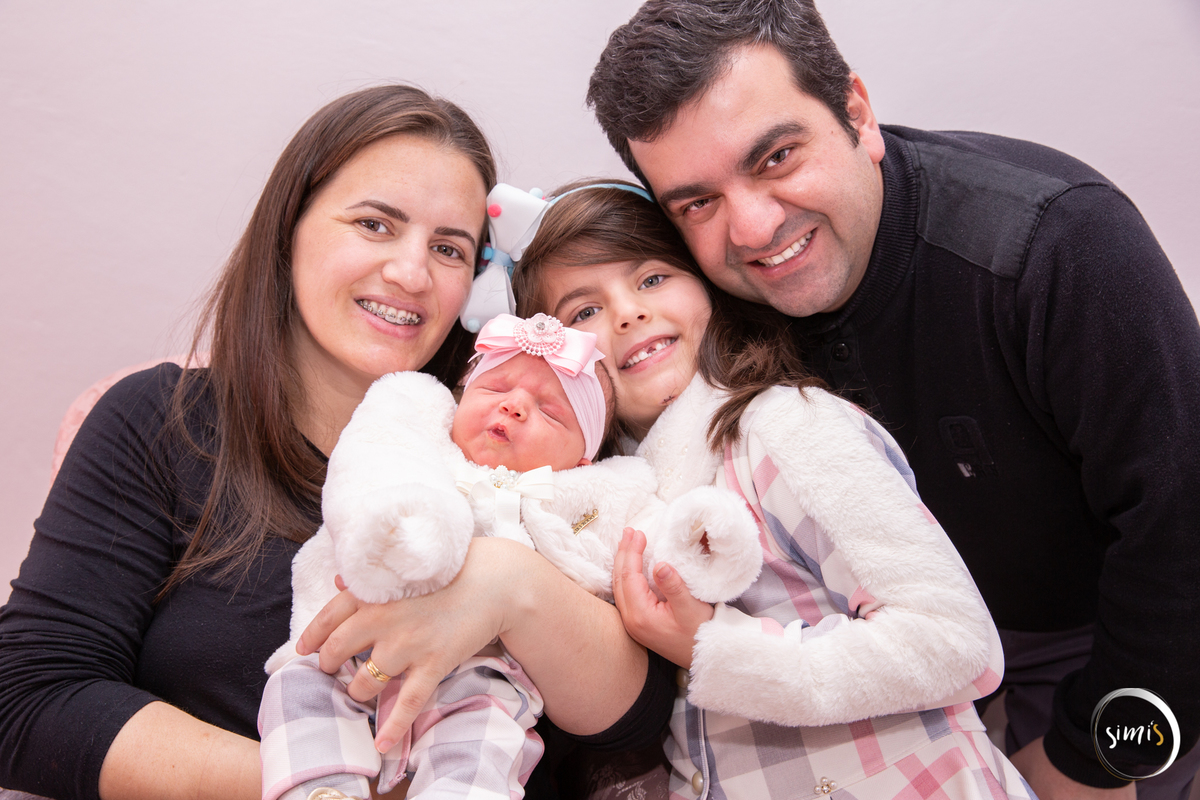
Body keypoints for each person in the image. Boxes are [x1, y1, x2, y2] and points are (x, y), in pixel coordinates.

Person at [584, 2, 1200, 799]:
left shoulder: (1056, 243)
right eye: (697, 201)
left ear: (858, 115)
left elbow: (1182, 533)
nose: (754, 228)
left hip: (1113, 645)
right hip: (880, 670)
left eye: (775, 157)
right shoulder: (700, 299)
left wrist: (1095, 758)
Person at [0, 86, 671, 800]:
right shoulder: (161, 422)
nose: (411, 274)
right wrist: (321, 781)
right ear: (291, 226)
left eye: (449, 248)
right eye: (376, 225)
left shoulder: (530, 442)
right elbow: (28, 698)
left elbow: (636, 728)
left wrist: (510, 588)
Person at [503, 180, 1029, 800]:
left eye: (650, 278)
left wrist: (714, 649)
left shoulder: (785, 426)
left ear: (705, 282)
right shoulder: (607, 507)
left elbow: (956, 644)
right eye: (583, 311)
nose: (626, 313)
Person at [260, 312, 760, 800]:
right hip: (347, 649)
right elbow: (372, 469)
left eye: (551, 411)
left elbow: (654, 537)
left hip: (480, 680)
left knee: (487, 743)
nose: (516, 406)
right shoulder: (425, 446)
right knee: (297, 691)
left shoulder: (592, 492)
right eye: (496, 390)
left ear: (583, 456)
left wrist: (705, 539)